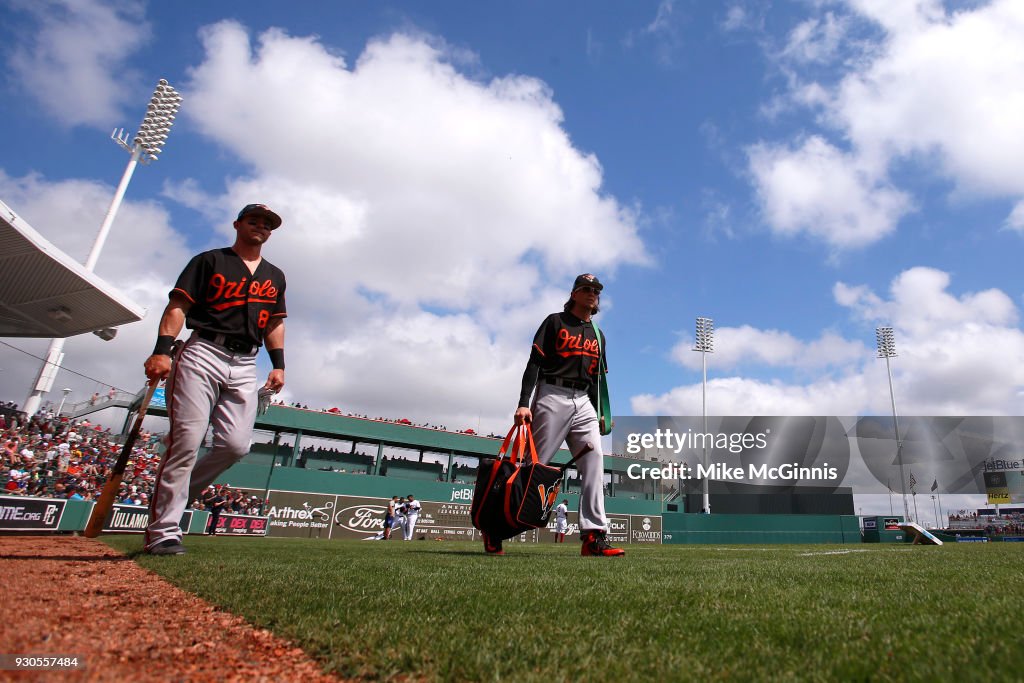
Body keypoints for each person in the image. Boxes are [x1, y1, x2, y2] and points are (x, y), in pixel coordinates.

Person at [142, 204, 288, 556]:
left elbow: (274, 321)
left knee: (235, 446)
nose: (261, 227)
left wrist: (278, 364)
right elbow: (178, 306)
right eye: (254, 221)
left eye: (267, 224)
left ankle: (172, 497)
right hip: (203, 350)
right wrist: (162, 350)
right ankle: (164, 528)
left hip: (246, 361)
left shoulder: (275, 275)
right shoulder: (209, 261)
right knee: (187, 441)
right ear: (238, 224)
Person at [495, 273, 623, 558]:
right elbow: (534, 363)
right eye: (586, 289)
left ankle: (593, 536)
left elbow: (596, 380)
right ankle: (496, 527)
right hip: (552, 394)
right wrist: (523, 403)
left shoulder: (598, 335)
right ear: (574, 294)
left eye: (596, 290)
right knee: (533, 468)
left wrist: (600, 411)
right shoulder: (555, 321)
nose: (592, 294)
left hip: (583, 401)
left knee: (594, 462)